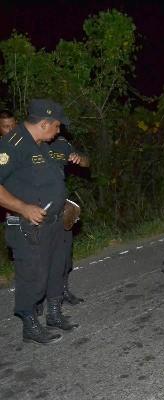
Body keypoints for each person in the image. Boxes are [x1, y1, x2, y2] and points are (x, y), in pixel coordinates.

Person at [0, 99, 79, 345]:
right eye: (56, 126)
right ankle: (30, 325)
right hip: (29, 227)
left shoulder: (41, 142)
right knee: (33, 275)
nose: (59, 131)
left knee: (56, 269)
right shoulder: (13, 144)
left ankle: (54, 314)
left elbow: (44, 180)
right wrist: (23, 207)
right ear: (44, 124)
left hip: (55, 222)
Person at [48, 135, 90, 306]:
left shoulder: (61, 143)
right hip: (38, 208)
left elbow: (87, 162)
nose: (57, 128)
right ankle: (35, 302)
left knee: (64, 255)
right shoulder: (29, 142)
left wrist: (79, 159)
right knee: (40, 258)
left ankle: (63, 291)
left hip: (61, 206)